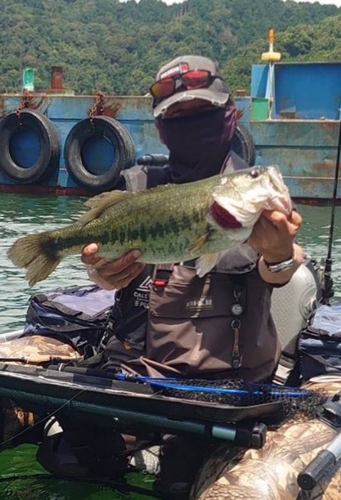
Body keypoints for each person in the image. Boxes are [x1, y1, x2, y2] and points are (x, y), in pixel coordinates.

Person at [35, 55, 304, 499]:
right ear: (160, 130)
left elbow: (283, 267)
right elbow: (103, 277)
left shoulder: (253, 199)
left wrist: (277, 255)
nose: (191, 126)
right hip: (137, 384)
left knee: (183, 487)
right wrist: (102, 273)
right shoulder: (135, 189)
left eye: (202, 114)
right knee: (68, 456)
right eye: (177, 118)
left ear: (230, 116)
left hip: (226, 397)